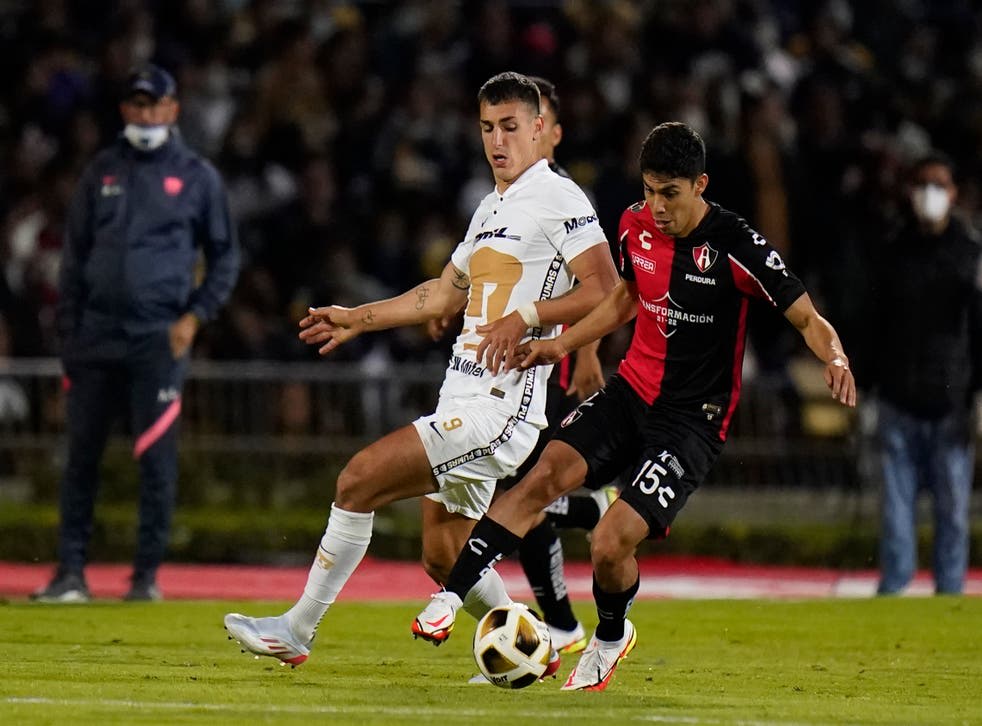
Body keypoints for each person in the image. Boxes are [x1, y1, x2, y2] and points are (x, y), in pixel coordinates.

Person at [413, 121, 857, 691]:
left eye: (669, 193)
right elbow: (625, 298)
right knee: (538, 480)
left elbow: (805, 316)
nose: (657, 206)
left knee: (610, 542)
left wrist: (836, 357)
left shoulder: (737, 245)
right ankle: (451, 594)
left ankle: (609, 634)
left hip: (691, 422)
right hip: (630, 393)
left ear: (701, 185)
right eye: (649, 190)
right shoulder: (633, 226)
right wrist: (560, 342)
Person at [223, 71, 618, 670]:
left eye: (511, 126)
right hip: (461, 394)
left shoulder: (559, 197)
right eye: (487, 127)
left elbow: (607, 290)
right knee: (443, 553)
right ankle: (532, 643)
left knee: (359, 480)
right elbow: (440, 295)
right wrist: (360, 317)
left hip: (500, 409)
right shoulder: (490, 206)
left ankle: (297, 630)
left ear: (540, 129)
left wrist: (529, 317)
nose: (497, 140)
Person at [32, 63, 240, 603]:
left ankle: (145, 578)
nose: (146, 114)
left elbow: (224, 258)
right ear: (126, 110)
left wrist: (194, 318)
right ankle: (69, 574)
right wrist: (69, 335)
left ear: (172, 110)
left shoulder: (197, 177)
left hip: (156, 338)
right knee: (81, 458)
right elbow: (74, 259)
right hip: (95, 338)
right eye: (137, 105)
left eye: (155, 105)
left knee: (155, 463)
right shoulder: (101, 171)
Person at [868, 152, 980, 595]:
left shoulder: (971, 254)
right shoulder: (893, 252)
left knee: (953, 513)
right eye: (923, 184)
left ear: (953, 194)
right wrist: (866, 389)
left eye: (939, 184)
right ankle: (895, 593)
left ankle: (949, 596)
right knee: (896, 514)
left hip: (952, 405)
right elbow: (873, 326)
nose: (929, 193)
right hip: (898, 399)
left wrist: (978, 396)